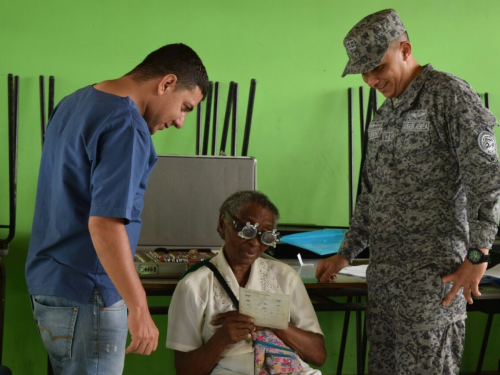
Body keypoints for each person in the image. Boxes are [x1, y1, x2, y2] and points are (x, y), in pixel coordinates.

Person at [316, 9, 500, 374]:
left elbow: (489, 179)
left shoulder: (448, 96)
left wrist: (478, 256)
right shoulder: (384, 116)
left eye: (377, 67)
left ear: (405, 49)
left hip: (432, 286)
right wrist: (345, 253)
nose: (370, 79)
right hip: (385, 287)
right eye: (363, 72)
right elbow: (370, 193)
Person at [25, 43, 208, 374]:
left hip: (49, 285)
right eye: (185, 107)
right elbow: (106, 224)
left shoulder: (74, 102)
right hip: (89, 291)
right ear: (166, 83)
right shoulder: (126, 123)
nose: (180, 121)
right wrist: (139, 308)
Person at [167, 190, 327, 375]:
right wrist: (222, 338)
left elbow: (318, 356)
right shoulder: (195, 285)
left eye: (265, 236)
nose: (254, 243)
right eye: (247, 230)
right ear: (222, 223)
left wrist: (273, 322)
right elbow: (185, 371)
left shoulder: (285, 277)